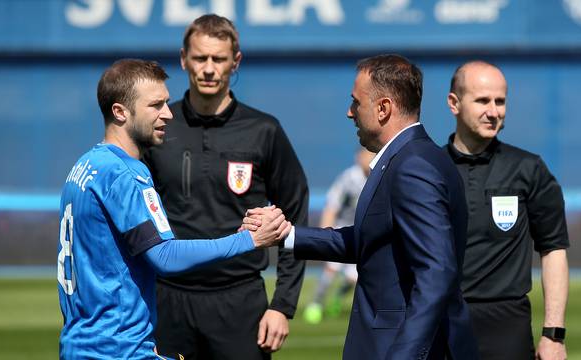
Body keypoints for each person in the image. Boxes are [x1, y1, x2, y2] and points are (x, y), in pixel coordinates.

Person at [245, 54, 479, 360]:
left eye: (356, 102)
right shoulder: (407, 159)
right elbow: (370, 240)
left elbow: (436, 272)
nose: (349, 112)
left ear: (383, 108)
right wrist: (286, 234)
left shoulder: (413, 166)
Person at [57, 59, 289, 359]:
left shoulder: (85, 166)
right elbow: (164, 257)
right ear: (120, 112)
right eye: (155, 105)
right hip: (117, 349)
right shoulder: (126, 174)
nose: (167, 114)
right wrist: (250, 240)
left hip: (81, 344)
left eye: (167, 103)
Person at [142, 14, 308, 359]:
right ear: (184, 58)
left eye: (218, 59)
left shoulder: (264, 130)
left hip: (241, 303)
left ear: (236, 62)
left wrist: (282, 305)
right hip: (168, 302)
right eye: (200, 57)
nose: (208, 68)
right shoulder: (157, 129)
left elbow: (295, 219)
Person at [445, 60, 570, 360]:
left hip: (506, 328)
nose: (493, 111)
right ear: (454, 103)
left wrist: (553, 334)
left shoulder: (529, 169)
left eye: (500, 101)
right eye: (482, 100)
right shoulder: (427, 170)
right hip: (440, 323)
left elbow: (553, 249)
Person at [303, 148, 375, 324]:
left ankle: (337, 298)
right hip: (341, 230)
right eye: (366, 155)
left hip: (361, 233)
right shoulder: (349, 178)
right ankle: (316, 304)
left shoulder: (379, 176)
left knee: (354, 278)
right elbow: (332, 206)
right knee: (331, 270)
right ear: (358, 157)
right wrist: (325, 234)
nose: (369, 159)